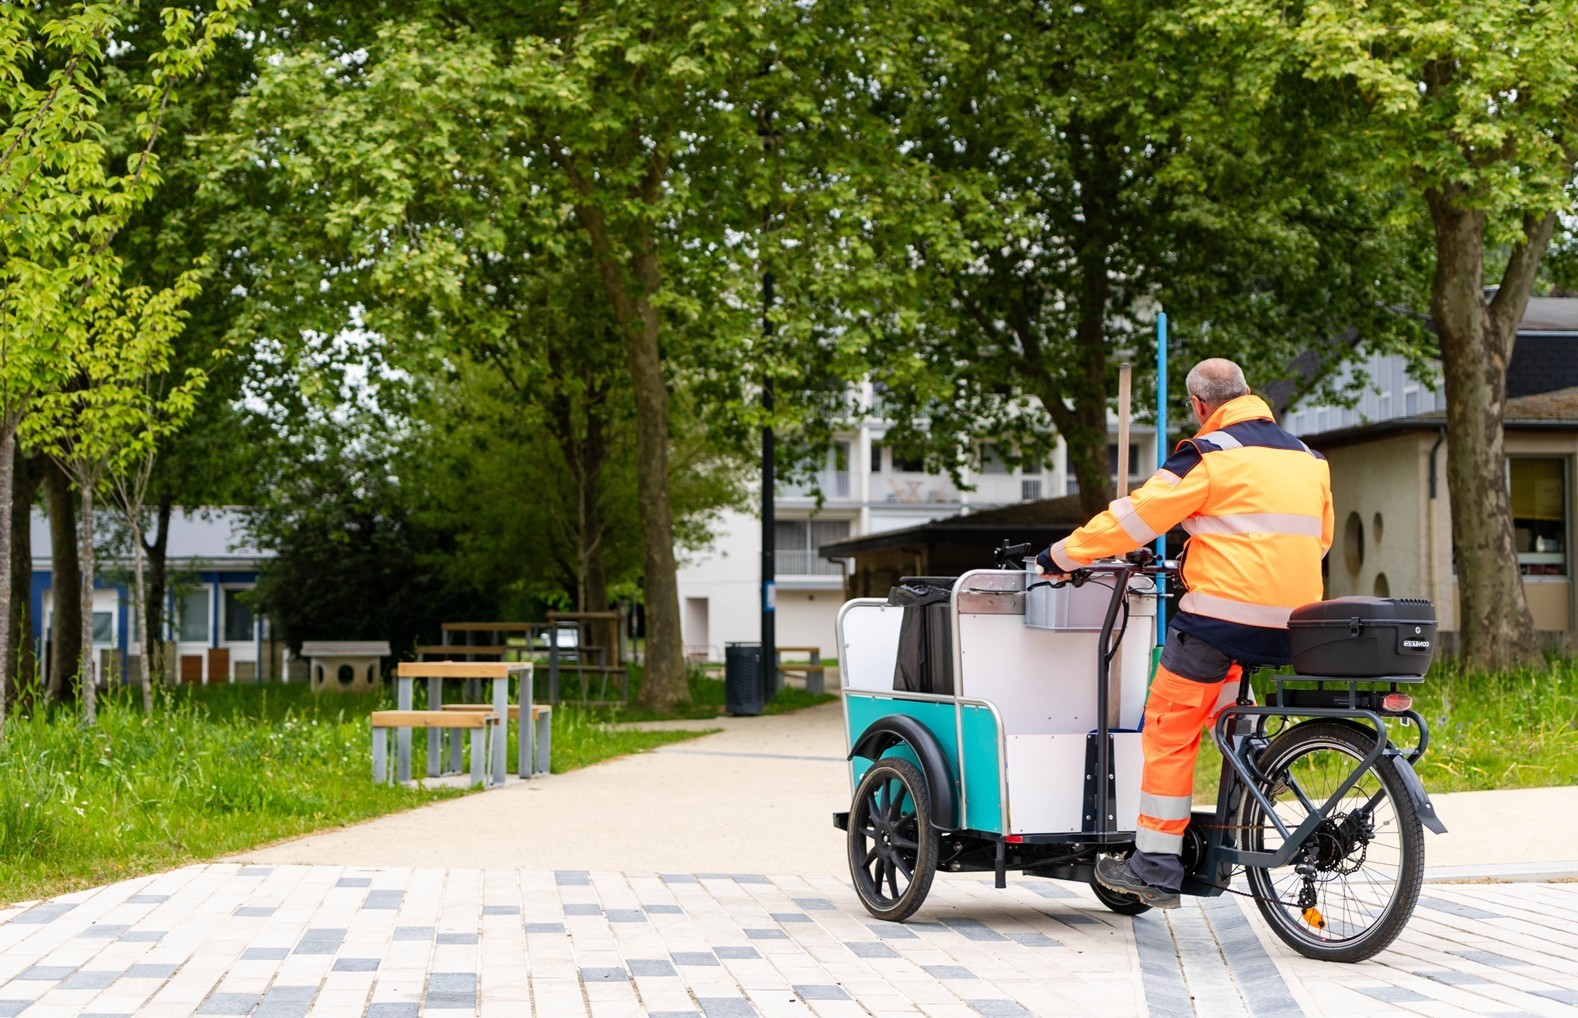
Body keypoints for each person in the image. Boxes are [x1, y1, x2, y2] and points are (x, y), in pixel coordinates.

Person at [1036, 358, 1333, 908]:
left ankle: (1154, 867)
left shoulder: (1208, 454)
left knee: (1170, 730)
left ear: (1200, 406)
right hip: (1292, 625)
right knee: (1233, 727)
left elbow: (1137, 518)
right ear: (1248, 392)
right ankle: (1233, 835)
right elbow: (1317, 541)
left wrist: (1060, 554)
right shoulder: (1309, 458)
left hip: (1218, 624)